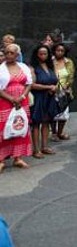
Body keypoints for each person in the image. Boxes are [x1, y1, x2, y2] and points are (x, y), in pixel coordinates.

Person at [0, 44, 33, 172]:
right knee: (3, 129)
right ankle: (1, 160)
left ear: (17, 55)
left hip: (21, 102)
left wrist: (22, 96)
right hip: (5, 102)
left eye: (11, 53)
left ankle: (17, 158)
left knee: (20, 126)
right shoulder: (1, 69)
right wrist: (12, 99)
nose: (8, 55)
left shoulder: (23, 67)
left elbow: (29, 83)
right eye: (6, 53)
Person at [29, 44, 59, 158]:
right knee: (36, 123)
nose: (43, 56)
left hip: (50, 97)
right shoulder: (32, 68)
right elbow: (32, 85)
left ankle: (45, 146)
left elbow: (55, 80)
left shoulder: (50, 66)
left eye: (45, 53)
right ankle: (36, 149)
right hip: (38, 97)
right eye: (41, 53)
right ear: (36, 55)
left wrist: (54, 87)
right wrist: (48, 87)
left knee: (46, 121)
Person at [51, 43, 75, 141]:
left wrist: (66, 86)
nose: (60, 52)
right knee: (52, 113)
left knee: (64, 113)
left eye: (62, 51)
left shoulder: (68, 62)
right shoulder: (50, 61)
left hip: (64, 91)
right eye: (58, 50)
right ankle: (53, 133)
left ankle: (60, 132)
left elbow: (71, 76)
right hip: (52, 90)